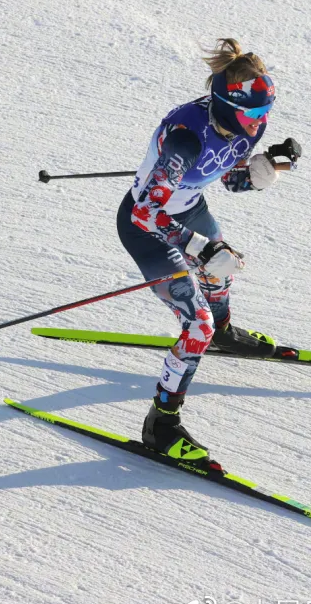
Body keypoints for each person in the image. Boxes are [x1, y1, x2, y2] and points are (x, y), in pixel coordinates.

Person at [116, 38, 301, 466]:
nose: (259, 123)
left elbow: (230, 179)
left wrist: (264, 170)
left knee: (223, 270)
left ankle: (224, 331)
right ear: (225, 104)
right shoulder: (185, 139)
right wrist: (201, 247)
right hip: (145, 227)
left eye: (265, 113)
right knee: (194, 322)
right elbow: (146, 213)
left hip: (190, 208)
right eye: (252, 114)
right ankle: (160, 425)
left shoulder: (241, 123)